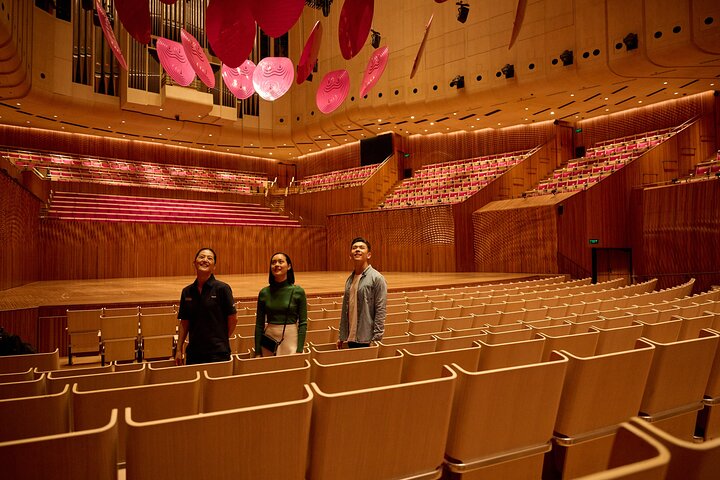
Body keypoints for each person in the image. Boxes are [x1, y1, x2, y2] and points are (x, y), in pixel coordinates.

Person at [175, 248, 237, 365]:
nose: (205, 260)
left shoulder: (222, 289)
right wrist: (179, 349)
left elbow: (233, 319)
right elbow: (184, 322)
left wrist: (220, 339)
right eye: (202, 257)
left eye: (209, 258)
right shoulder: (187, 292)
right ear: (194, 262)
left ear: (214, 266)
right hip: (194, 352)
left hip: (218, 353)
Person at [255, 252, 308, 356]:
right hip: (269, 339)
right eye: (273, 262)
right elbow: (259, 325)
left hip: (290, 339)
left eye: (280, 261)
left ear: (289, 266)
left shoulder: (298, 291)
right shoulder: (264, 293)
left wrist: (299, 350)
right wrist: (257, 352)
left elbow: (303, 324)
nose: (276, 265)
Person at [338, 237, 387, 348]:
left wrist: (376, 339)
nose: (357, 250)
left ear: (368, 255)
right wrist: (342, 336)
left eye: (361, 247)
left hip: (367, 338)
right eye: (354, 248)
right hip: (351, 337)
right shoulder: (349, 279)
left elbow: (381, 310)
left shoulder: (377, 278)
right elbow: (346, 310)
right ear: (350, 255)